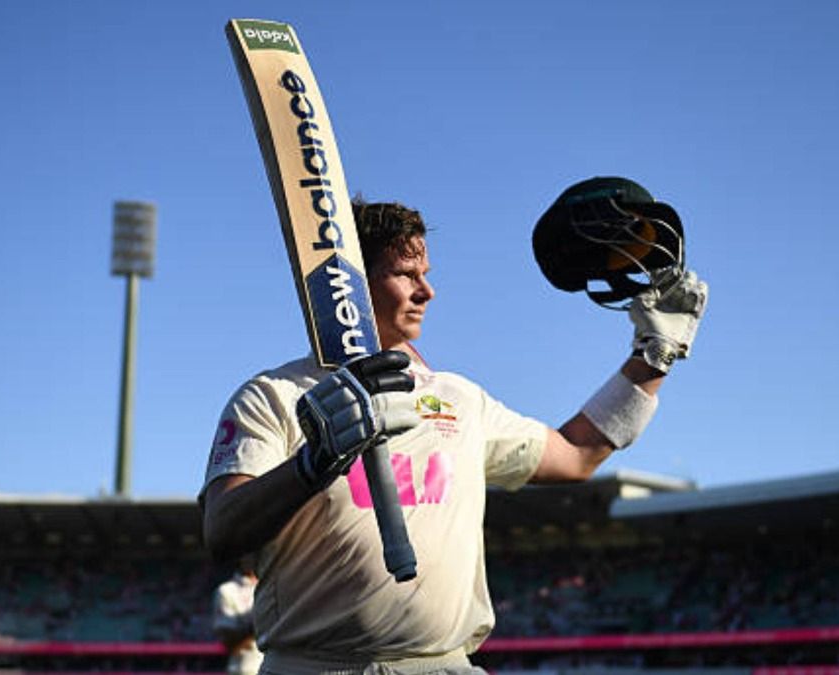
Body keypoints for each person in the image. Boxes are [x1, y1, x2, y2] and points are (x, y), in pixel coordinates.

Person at [200, 197, 707, 674]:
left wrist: (653, 355)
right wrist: (314, 462)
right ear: (349, 283)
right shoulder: (276, 395)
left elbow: (576, 454)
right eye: (406, 274)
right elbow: (223, 529)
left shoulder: (459, 399)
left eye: (426, 274)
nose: (427, 291)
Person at [212, 555, 264, 675]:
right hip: (244, 669)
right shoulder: (227, 590)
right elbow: (229, 642)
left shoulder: (271, 586)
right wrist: (258, 619)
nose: (252, 557)